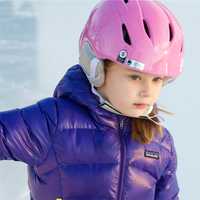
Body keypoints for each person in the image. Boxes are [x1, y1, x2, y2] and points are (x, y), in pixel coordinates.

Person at [0, 0, 184, 200]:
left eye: (157, 79)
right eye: (135, 77)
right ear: (97, 69)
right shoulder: (53, 122)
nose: (147, 91)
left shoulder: (160, 142)